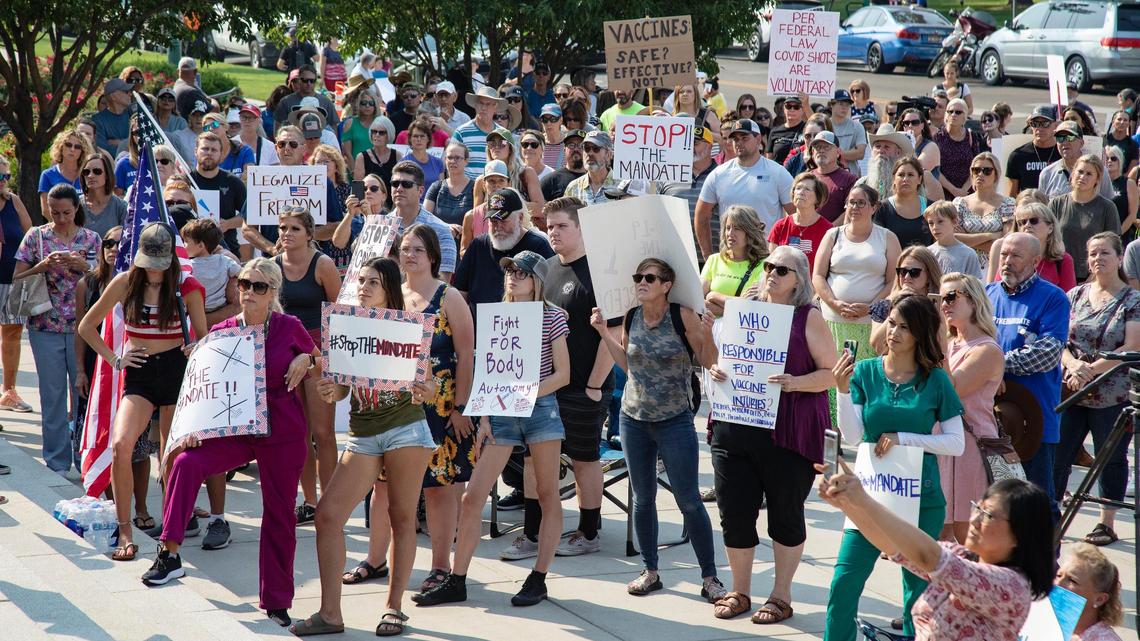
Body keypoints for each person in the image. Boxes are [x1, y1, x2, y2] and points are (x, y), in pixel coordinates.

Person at [142, 258, 317, 628]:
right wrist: (194, 424)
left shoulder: (290, 327)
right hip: (237, 432)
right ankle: (170, 553)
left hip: (281, 435)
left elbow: (319, 358)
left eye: (259, 287)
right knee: (187, 462)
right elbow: (202, 387)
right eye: (244, 285)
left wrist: (306, 359)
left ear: (273, 294)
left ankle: (276, 602)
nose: (249, 292)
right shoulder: (223, 332)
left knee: (280, 516)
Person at [412, 249, 568, 609]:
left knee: (546, 494)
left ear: (537, 280)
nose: (513, 277)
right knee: (472, 496)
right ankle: (458, 578)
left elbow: (564, 374)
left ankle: (539, 577)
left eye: (522, 273)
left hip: (540, 408)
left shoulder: (553, 316)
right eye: (509, 271)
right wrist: (483, 417)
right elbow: (488, 371)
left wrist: (523, 393)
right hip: (501, 411)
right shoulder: (498, 317)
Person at [296, 258, 438, 637]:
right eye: (360, 280)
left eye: (372, 282)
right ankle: (330, 613)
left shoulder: (407, 327)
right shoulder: (346, 326)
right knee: (327, 515)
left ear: (389, 288)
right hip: (363, 434)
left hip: (406, 430)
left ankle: (394, 607)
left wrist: (428, 390)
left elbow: (430, 384)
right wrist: (332, 389)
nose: (362, 286)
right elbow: (342, 386)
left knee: (401, 517)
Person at [705, 246, 836, 624]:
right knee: (734, 513)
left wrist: (795, 382)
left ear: (799, 280)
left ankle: (781, 595)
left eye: (783, 269)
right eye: (768, 266)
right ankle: (740, 590)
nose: (772, 273)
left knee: (785, 514)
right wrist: (718, 370)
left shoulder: (807, 318)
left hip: (788, 433)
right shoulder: (744, 310)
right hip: (736, 425)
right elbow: (723, 356)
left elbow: (830, 373)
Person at [827, 293, 966, 640]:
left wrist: (905, 437)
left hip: (922, 499)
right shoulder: (865, 371)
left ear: (920, 334)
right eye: (891, 323)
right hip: (870, 496)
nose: (894, 332)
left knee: (916, 593)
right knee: (844, 582)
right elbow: (855, 434)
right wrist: (843, 392)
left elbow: (956, 442)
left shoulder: (935, 380)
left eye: (904, 327)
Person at [590, 257, 725, 601]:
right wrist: (603, 333)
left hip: (674, 420)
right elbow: (627, 363)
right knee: (644, 500)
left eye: (650, 277)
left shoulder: (682, 316)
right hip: (633, 418)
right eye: (638, 277)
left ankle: (710, 578)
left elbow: (708, 360)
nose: (642, 282)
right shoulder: (633, 315)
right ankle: (650, 570)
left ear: (667, 285)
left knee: (690, 501)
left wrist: (708, 334)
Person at [76, 221, 207, 559]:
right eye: (149, 264)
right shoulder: (125, 282)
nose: (154, 272)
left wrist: (196, 347)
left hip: (177, 371)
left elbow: (203, 336)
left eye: (160, 266)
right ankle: (125, 530)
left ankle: (171, 530)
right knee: (121, 445)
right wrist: (115, 358)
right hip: (141, 372)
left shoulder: (187, 287)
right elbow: (87, 325)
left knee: (171, 456)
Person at [821, 466, 1054, 641]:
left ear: (1020, 534)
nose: (974, 520)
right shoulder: (963, 557)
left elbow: (928, 556)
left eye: (989, 515)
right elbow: (894, 546)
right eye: (978, 508)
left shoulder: (1010, 586)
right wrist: (848, 504)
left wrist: (864, 499)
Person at [540, 197, 619, 558]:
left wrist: (593, 385)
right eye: (549, 226)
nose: (553, 232)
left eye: (561, 226)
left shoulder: (601, 271)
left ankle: (589, 532)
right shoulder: (549, 269)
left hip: (584, 387)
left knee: (584, 458)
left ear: (582, 228)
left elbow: (613, 332)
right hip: (550, 385)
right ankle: (544, 526)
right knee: (542, 457)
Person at [1055, 232, 1140, 546]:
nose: (1097, 259)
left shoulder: (1132, 300)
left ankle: (1106, 522)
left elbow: (1132, 345)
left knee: (1111, 457)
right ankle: (1053, 515)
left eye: (1105, 253)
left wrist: (1092, 369)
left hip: (1112, 392)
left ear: (1119, 258)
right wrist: (1074, 365)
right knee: (1059, 454)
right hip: (1073, 388)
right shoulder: (1074, 295)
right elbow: (1060, 341)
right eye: (1092, 254)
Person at [75, 226, 157, 528]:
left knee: (138, 449)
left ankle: (141, 507)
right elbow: (83, 328)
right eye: (108, 242)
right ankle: (112, 507)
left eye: (119, 243)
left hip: (138, 374)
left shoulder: (143, 282)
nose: (113, 248)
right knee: (107, 442)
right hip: (102, 374)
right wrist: (82, 369)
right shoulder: (92, 283)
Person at [15, 184, 100, 475]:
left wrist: (83, 265)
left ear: (77, 209)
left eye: (66, 212)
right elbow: (17, 278)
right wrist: (43, 265)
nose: (61, 218)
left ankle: (84, 457)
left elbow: (107, 279)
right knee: (51, 396)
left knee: (83, 395)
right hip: (45, 325)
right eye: (54, 212)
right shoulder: (36, 236)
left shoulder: (92, 239)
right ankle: (56, 461)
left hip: (84, 327)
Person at [986, 232, 1071, 514]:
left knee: (1037, 500)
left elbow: (1047, 354)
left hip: (1034, 418)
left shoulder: (1053, 298)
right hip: (991, 418)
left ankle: (1047, 558)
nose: (1007, 261)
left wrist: (991, 364)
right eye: (1004, 255)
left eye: (1016, 256)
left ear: (1035, 261)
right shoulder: (987, 294)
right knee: (996, 500)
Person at [271, 207, 341, 525]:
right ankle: (310, 502)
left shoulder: (322, 264)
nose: (286, 233)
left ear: (309, 234)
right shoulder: (272, 266)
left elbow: (339, 315)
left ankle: (330, 501)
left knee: (323, 433)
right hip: (285, 356)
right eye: (283, 227)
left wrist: (325, 359)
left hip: (318, 354)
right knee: (299, 434)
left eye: (295, 228)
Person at [813, 184, 901, 410]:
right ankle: (833, 435)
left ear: (874, 207)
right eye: (851, 202)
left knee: (864, 381)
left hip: (870, 325)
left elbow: (894, 281)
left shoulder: (887, 238)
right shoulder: (832, 235)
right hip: (832, 323)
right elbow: (818, 276)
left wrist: (871, 307)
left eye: (861, 202)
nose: (855, 207)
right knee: (833, 380)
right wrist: (834, 303)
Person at [936, 273, 1004, 544]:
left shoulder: (987, 350)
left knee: (969, 534)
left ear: (974, 302)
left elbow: (951, 391)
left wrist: (938, 342)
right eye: (941, 298)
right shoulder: (952, 344)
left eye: (952, 297)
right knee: (940, 531)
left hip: (971, 448)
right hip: (943, 443)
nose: (944, 304)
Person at [696, 119, 794, 260]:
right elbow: (701, 216)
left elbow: (796, 216)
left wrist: (783, 253)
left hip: (766, 258)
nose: (739, 143)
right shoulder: (719, 174)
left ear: (758, 139)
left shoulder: (777, 172)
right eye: (735, 139)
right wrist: (708, 256)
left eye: (744, 138)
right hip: (730, 258)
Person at [453, 187, 553, 315]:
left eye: (504, 221)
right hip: (479, 329)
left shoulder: (538, 246)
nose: (498, 227)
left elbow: (550, 294)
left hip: (524, 326)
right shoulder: (478, 245)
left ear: (520, 218)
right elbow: (461, 292)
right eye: (493, 221)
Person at [1051, 155, 1121, 282]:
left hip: (1094, 278)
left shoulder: (1107, 207)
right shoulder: (1056, 204)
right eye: (1080, 172)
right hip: (1058, 275)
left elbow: (1114, 246)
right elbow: (1047, 240)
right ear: (1073, 174)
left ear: (1097, 179)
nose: (1083, 177)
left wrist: (1091, 279)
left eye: (1089, 174)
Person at [0, 162, 33, 414]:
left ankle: (8, 391)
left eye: (6, 175)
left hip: (13, 280)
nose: (3, 179)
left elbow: (29, 235)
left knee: (12, 334)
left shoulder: (13, 201)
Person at [386, 162, 457, 277]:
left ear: (421, 191)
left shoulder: (441, 231)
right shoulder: (380, 226)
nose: (399, 189)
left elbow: (442, 285)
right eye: (394, 184)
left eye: (406, 184)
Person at [698, 205, 768, 318]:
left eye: (737, 228)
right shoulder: (714, 260)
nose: (730, 233)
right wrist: (737, 304)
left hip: (742, 332)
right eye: (728, 228)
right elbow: (698, 303)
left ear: (750, 232)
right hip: (710, 331)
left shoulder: (764, 265)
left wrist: (714, 295)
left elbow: (752, 308)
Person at [988, 202, 1076, 291]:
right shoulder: (1009, 257)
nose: (1027, 225)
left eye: (1034, 221)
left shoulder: (1063, 261)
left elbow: (1068, 298)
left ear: (1050, 228)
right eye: (1022, 222)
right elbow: (998, 292)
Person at [953, 152, 1016, 271]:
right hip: (965, 266)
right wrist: (991, 235)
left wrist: (968, 239)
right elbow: (953, 238)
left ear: (996, 174)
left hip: (997, 267)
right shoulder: (959, 203)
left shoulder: (1008, 204)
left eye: (987, 171)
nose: (980, 174)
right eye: (976, 170)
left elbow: (1006, 244)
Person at [662, 126, 719, 255]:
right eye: (687, 143)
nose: (690, 147)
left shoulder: (722, 175)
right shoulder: (670, 174)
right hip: (676, 257)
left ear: (710, 146)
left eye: (695, 143)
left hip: (714, 258)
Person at [189, 132, 247, 255]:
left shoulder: (233, 182)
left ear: (221, 154)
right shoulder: (185, 181)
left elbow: (249, 216)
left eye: (214, 150)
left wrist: (227, 224)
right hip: (191, 253)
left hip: (227, 251)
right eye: (205, 148)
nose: (209, 153)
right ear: (196, 151)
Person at [1056, 543, 1125, 641]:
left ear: (1099, 599)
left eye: (1072, 580)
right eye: (1059, 575)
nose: (1057, 584)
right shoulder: (1053, 626)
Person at [180, 218, 239, 327]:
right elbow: (239, 272)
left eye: (186, 242)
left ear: (201, 246)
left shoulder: (188, 266)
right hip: (221, 307)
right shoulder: (225, 260)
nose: (183, 245)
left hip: (196, 310)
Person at [768, 173, 831, 272]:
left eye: (807, 189)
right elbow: (772, 263)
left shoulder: (828, 230)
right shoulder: (780, 226)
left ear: (818, 198)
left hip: (812, 286)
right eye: (798, 188)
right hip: (784, 285)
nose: (801, 192)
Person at [1039, 122, 1116, 201]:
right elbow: (1042, 209)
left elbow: (1110, 205)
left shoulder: (1099, 171)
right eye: (1060, 138)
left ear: (1081, 143)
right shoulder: (1047, 174)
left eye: (1070, 137)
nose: (1065, 142)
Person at [874, 157, 934, 249]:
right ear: (894, 179)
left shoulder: (931, 208)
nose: (905, 179)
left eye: (910, 175)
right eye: (901, 175)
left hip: (926, 262)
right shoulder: (882, 208)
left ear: (919, 179)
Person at [934, 99, 984, 199]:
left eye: (958, 112)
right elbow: (934, 169)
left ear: (965, 117)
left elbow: (977, 166)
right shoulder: (937, 137)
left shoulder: (971, 136)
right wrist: (953, 190)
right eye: (950, 111)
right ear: (946, 115)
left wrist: (963, 190)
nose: (953, 114)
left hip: (966, 193)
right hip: (943, 192)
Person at [1006, 106, 1062, 194]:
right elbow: (1012, 195)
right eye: (1035, 124)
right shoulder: (1018, 155)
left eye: (1045, 123)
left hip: (1056, 206)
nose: (1039, 128)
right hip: (1028, 205)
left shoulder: (1063, 153)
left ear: (1055, 125)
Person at [452, 86, 503, 179]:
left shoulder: (503, 134)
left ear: (495, 106)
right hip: (467, 189)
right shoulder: (461, 133)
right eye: (481, 103)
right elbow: (452, 163)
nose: (483, 108)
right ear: (475, 104)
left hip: (496, 187)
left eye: (488, 104)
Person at [273, 65, 340, 134]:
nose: (309, 83)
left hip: (320, 141)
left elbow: (333, 127)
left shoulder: (326, 102)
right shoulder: (286, 102)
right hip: (294, 142)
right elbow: (277, 127)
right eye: (305, 80)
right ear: (299, 80)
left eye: (312, 81)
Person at [808, 132, 857, 225]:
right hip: (809, 235)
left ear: (838, 152)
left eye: (827, 147)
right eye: (817, 147)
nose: (821, 150)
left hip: (836, 235)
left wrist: (830, 230)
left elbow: (850, 210)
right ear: (813, 152)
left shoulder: (850, 179)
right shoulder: (807, 178)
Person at [39, 129, 90, 217]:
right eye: (68, 145)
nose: (72, 149)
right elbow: (46, 210)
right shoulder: (47, 175)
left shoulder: (88, 174)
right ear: (61, 147)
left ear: (82, 151)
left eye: (77, 147)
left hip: (85, 226)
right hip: (58, 226)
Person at [424, 141, 474, 228]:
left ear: (466, 161)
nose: (453, 161)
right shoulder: (436, 187)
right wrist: (446, 227)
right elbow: (424, 219)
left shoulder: (475, 187)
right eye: (449, 157)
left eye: (457, 158)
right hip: (439, 240)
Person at [926, 202, 982, 280]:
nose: (935, 227)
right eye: (931, 223)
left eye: (940, 221)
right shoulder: (927, 253)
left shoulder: (968, 254)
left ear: (955, 222)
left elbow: (975, 286)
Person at [79, 152, 127, 238]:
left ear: (107, 175)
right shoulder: (75, 205)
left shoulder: (121, 207)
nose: (90, 175)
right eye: (86, 172)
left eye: (97, 171)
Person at [564, 131, 619, 206]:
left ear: (608, 154)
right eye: (586, 148)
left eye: (596, 148)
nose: (590, 153)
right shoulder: (573, 188)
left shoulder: (622, 187)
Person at [539, 128, 587, 201]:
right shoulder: (551, 181)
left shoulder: (594, 179)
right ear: (564, 149)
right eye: (571, 145)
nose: (576, 149)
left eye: (581, 145)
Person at [1105, 146, 1138, 245]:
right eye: (1106, 158)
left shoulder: (1129, 183)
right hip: (1100, 235)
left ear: (1120, 160)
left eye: (1113, 158)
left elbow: (1132, 215)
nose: (1109, 161)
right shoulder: (1099, 183)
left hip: (1121, 238)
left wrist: (1117, 234)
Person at [92, 77, 132, 157]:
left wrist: (120, 143)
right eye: (126, 91)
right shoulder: (98, 120)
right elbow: (102, 150)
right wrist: (129, 147)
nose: (130, 94)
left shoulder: (133, 115)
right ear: (114, 96)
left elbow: (141, 143)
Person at [354, 116, 398, 189]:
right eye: (374, 132)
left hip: (391, 199)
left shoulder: (397, 155)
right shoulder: (361, 157)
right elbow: (357, 188)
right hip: (368, 199)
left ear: (389, 135)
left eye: (381, 133)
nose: (377, 135)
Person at [172, 57, 210, 121]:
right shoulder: (191, 92)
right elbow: (214, 112)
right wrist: (213, 101)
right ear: (195, 71)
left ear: (178, 71)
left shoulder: (177, 84)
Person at [1105, 110, 1139, 176]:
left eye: (1125, 120)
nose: (1122, 122)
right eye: (1119, 119)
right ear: (1113, 122)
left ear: (1129, 124)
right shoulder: (1104, 139)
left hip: (1122, 180)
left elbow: (1132, 168)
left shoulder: (1133, 144)